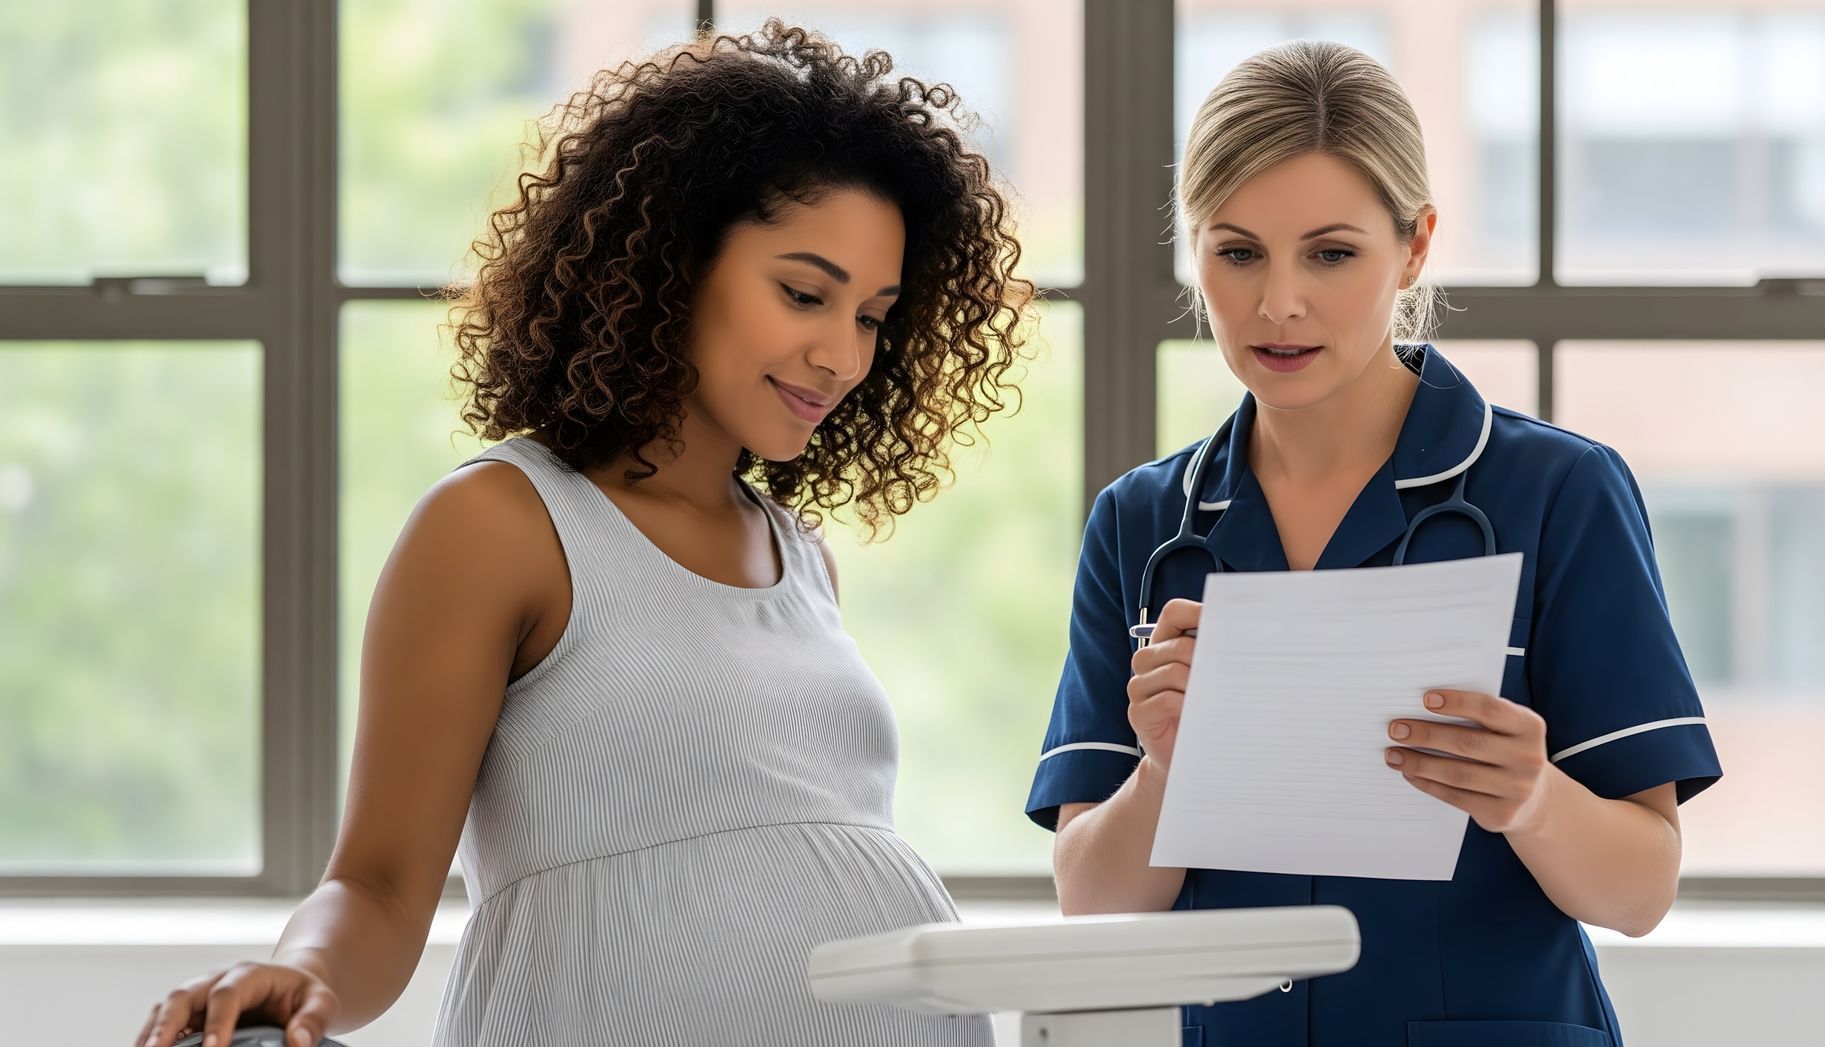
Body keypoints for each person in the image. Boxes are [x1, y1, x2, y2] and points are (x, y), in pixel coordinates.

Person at [136, 21, 1031, 1047]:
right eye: (803, 293)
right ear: (672, 263)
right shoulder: (502, 525)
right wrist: (301, 970)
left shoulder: (801, 559)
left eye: (874, 316)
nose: (841, 355)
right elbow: (379, 887)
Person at [1028, 41, 1721, 1046]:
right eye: (1237, 251)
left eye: (1332, 253)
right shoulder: (1143, 524)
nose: (1279, 304)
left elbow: (1640, 890)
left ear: (1416, 245)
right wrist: (1173, 770)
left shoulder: (1557, 494)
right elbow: (1093, 902)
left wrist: (1529, 796)